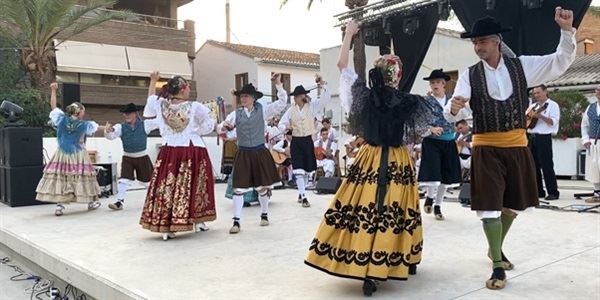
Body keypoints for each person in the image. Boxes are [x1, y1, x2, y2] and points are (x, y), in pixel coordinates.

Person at [444, 10, 576, 290]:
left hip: (517, 146)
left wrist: (567, 32)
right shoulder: (470, 74)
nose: (478, 46)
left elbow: (560, 62)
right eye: (475, 42)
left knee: (514, 204)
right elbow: (457, 108)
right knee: (490, 207)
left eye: (483, 41)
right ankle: (497, 267)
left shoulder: (521, 67)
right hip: (486, 147)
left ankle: (495, 247)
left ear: (497, 42)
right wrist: (453, 109)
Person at [305, 20, 432, 296]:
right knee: (395, 210)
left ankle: (365, 264)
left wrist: (349, 35)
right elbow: (424, 129)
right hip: (397, 161)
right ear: (398, 75)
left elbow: (342, 67)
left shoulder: (363, 96)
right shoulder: (409, 101)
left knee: (361, 208)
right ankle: (398, 259)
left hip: (371, 158)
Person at [139, 76, 216, 241]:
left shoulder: (160, 104)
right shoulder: (195, 106)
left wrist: (153, 81)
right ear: (182, 89)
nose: (189, 90)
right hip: (191, 149)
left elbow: (150, 100)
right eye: (188, 87)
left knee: (166, 185)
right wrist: (194, 130)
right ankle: (198, 220)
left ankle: (165, 225)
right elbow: (209, 125)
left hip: (168, 151)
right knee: (196, 185)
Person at [217, 74, 288, 234]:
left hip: (259, 152)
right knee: (238, 188)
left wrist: (278, 84)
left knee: (262, 187)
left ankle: (264, 214)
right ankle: (236, 221)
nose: (243, 98)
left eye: (246, 96)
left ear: (254, 98)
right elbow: (222, 129)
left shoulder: (263, 110)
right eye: (241, 96)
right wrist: (224, 126)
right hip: (243, 153)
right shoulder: (236, 114)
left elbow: (282, 102)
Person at [36, 82, 103, 216]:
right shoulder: (84, 124)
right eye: (83, 110)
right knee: (83, 176)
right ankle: (90, 202)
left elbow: (53, 107)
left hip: (63, 153)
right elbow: (98, 127)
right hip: (78, 153)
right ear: (79, 112)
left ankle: (60, 206)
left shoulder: (61, 120)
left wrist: (53, 91)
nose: (84, 112)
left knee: (62, 176)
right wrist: (106, 128)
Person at [279, 75, 331, 207]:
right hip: (296, 141)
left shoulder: (312, 107)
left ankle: (301, 191)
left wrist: (323, 84)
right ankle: (303, 196)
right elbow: (282, 123)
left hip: (307, 140)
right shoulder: (291, 110)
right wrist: (285, 128)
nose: (297, 98)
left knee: (307, 170)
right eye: (296, 96)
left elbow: (326, 98)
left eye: (299, 95)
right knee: (298, 170)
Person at [418, 69, 461, 220]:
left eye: (437, 82)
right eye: (432, 82)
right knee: (433, 172)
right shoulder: (425, 101)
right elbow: (419, 120)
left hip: (449, 141)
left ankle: (438, 205)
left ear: (444, 84)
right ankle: (429, 196)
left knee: (445, 175)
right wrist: (431, 128)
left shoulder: (452, 100)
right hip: (432, 141)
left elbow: (460, 116)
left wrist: (459, 126)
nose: (434, 85)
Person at [104, 103, 154, 210]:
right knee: (123, 180)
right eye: (125, 113)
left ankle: (155, 201)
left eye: (129, 113)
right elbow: (111, 136)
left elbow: (159, 123)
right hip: (128, 158)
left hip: (142, 157)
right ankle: (119, 202)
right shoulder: (120, 127)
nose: (126, 115)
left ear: (135, 114)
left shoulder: (145, 124)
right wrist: (108, 131)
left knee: (148, 182)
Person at [527, 84, 561, 200]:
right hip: (532, 137)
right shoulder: (533, 106)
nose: (536, 95)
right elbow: (526, 119)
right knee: (533, 166)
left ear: (545, 91)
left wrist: (540, 116)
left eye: (538, 92)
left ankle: (553, 192)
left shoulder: (553, 105)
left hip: (544, 137)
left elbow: (553, 122)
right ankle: (538, 191)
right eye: (534, 93)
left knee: (547, 165)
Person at [581, 86, 600, 203]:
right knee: (593, 168)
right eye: (597, 90)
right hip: (593, 142)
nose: (598, 92)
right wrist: (585, 139)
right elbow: (584, 125)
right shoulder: (590, 107)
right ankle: (597, 193)